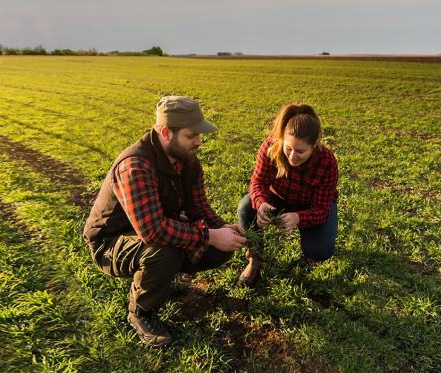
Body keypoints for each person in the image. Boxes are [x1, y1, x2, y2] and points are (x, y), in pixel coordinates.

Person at [83, 95, 246, 347]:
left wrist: (221, 228)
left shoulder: (187, 160)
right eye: (191, 136)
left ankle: (162, 279)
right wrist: (210, 235)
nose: (199, 142)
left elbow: (198, 207)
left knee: (217, 250)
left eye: (199, 135)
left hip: (152, 230)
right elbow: (154, 230)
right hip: (110, 242)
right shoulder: (135, 166)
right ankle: (140, 313)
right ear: (165, 132)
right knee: (164, 252)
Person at [236, 104, 339, 286]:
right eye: (288, 148)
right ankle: (255, 258)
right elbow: (258, 182)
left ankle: (312, 254)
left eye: (300, 151)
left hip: (310, 206)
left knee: (320, 250)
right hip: (278, 198)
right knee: (246, 207)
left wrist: (299, 218)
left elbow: (322, 209)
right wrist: (260, 203)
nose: (292, 157)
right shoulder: (270, 146)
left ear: (314, 145)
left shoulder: (327, 161)